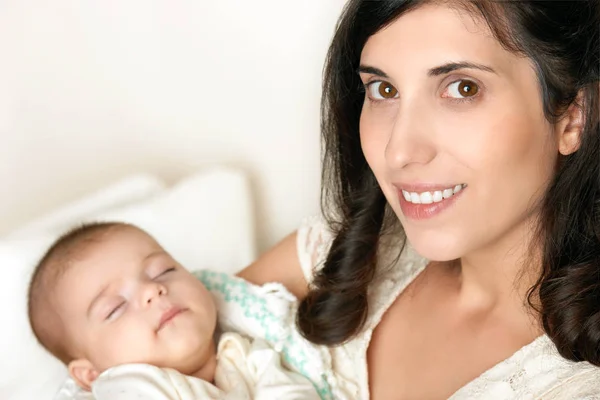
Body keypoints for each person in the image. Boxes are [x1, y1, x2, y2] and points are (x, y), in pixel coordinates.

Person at [239, 0, 600, 398]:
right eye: (383, 89)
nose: (398, 151)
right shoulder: (333, 258)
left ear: (573, 116)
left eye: (463, 88)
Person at [27, 222, 321, 400]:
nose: (151, 291)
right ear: (91, 375)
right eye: (115, 308)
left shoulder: (248, 353)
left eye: (162, 271)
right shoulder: (125, 387)